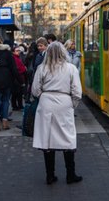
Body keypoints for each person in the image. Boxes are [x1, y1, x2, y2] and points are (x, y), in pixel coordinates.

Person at [31, 41, 83, 185]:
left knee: (47, 139)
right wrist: (71, 104)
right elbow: (77, 92)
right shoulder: (71, 68)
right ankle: (70, 175)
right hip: (64, 102)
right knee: (67, 137)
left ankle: (50, 176)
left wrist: (43, 97)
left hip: (46, 103)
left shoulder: (42, 68)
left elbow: (35, 90)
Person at [11, 46, 28, 111]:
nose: (18, 52)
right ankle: (17, 106)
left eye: (19, 50)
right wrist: (24, 69)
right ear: (13, 52)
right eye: (17, 50)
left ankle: (17, 105)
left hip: (20, 77)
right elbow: (17, 69)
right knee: (17, 93)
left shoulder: (18, 57)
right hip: (17, 77)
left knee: (18, 93)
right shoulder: (14, 58)